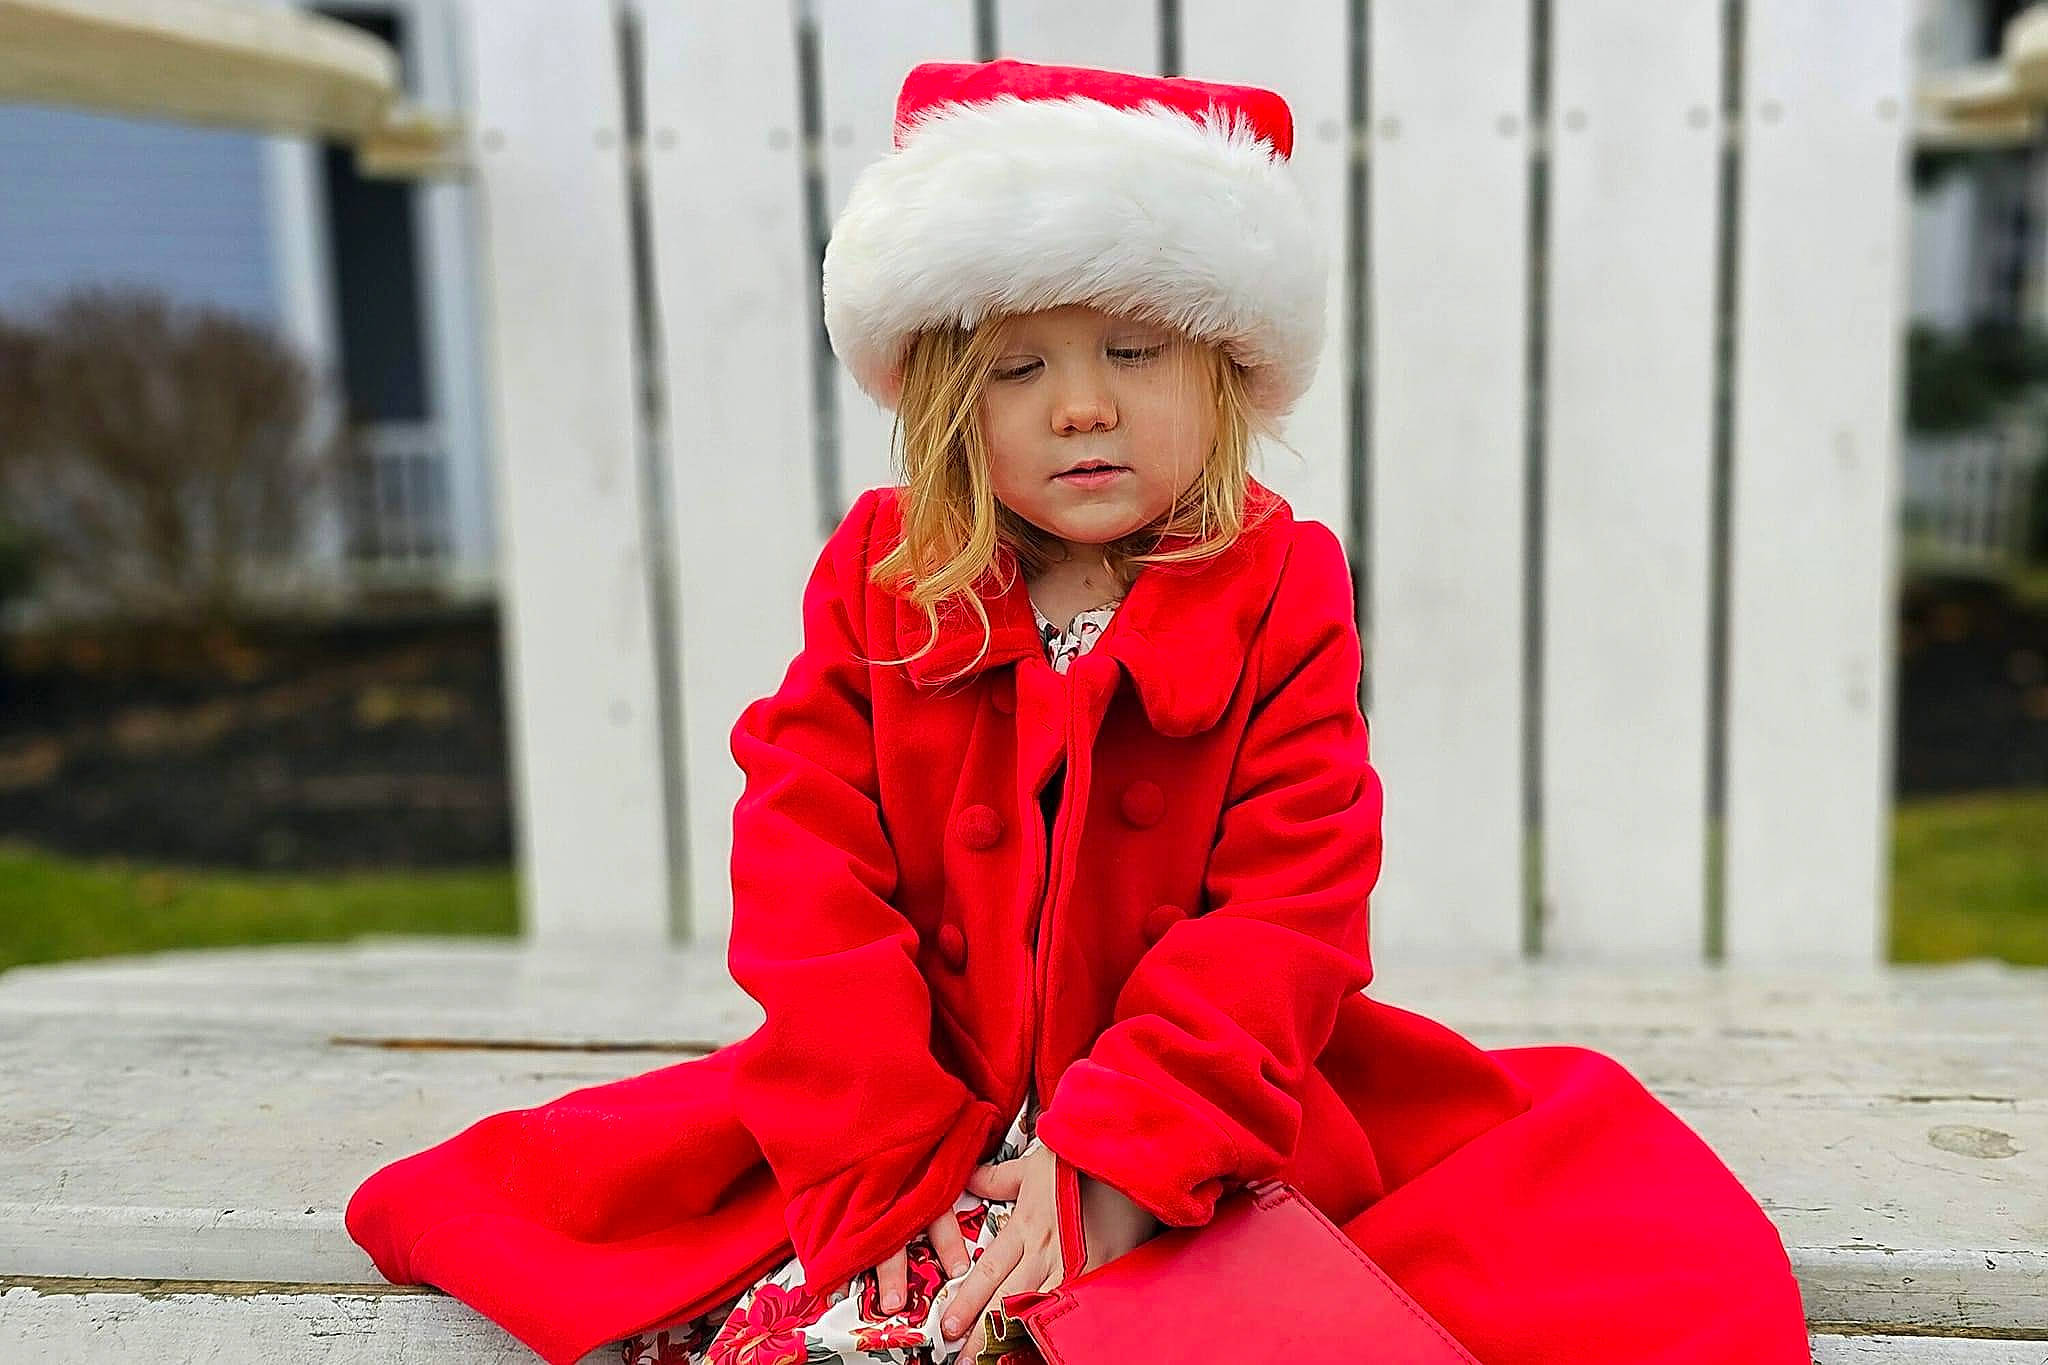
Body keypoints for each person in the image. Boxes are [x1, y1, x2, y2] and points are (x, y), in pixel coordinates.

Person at [345, 57, 1814, 1365]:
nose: (1082, 407)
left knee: (1479, 1264)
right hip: (914, 1093)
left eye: (1131, 352)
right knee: (691, 1252)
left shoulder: (1278, 585)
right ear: (942, 400)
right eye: (1020, 368)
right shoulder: (887, 573)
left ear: (1225, 371)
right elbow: (802, 859)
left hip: (1190, 1105)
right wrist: (883, 1135)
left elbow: (1292, 900)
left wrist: (1119, 1158)